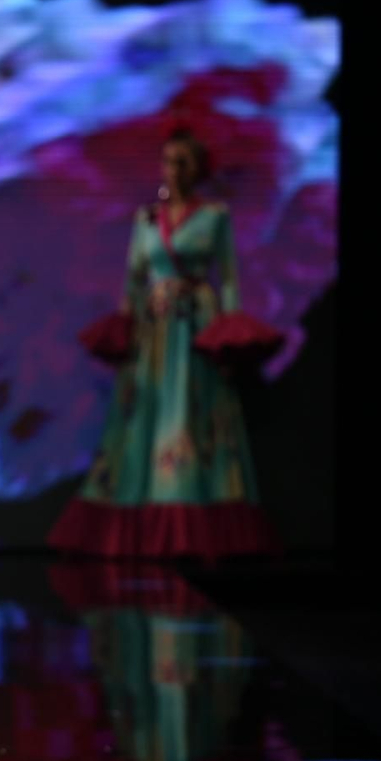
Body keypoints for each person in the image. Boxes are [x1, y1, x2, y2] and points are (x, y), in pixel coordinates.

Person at [53, 129, 282, 560]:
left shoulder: (214, 216)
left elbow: (228, 279)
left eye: (183, 162)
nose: (174, 170)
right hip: (153, 330)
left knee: (193, 416)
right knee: (144, 417)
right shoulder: (145, 221)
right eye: (168, 161)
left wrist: (229, 334)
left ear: (198, 170)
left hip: (195, 325)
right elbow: (133, 282)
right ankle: (142, 525)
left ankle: (192, 524)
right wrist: (125, 327)